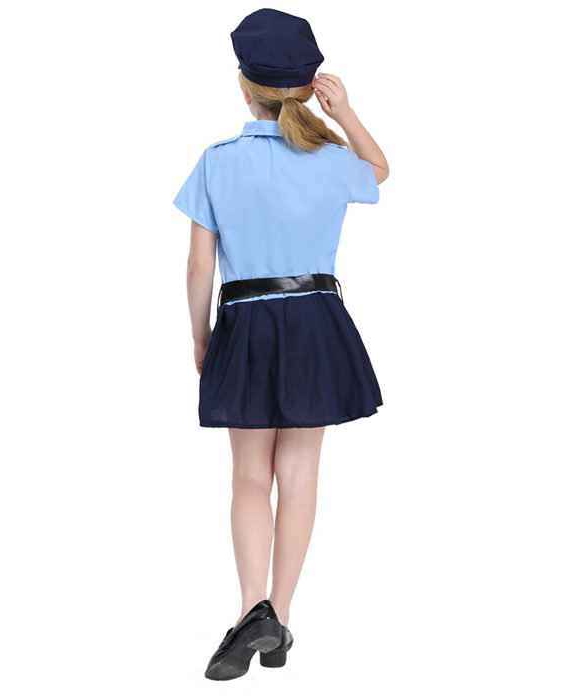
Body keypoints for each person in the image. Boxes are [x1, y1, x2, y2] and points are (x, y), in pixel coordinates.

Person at [172, 8, 389, 681]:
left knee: (248, 475)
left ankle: (250, 608)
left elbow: (199, 267)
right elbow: (380, 169)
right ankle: (281, 617)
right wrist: (344, 112)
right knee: (299, 475)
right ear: (307, 87)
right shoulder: (331, 161)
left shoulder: (217, 162)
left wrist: (201, 340)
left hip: (245, 321)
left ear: (245, 87)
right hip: (316, 321)